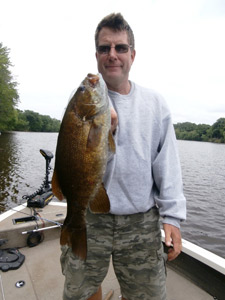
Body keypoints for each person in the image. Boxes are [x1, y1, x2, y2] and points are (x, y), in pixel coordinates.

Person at [61, 13, 186, 300]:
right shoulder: (81, 103)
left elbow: (167, 165)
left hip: (140, 221)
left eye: (120, 48)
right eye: (105, 48)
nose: (112, 55)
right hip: (91, 217)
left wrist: (173, 218)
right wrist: (105, 135)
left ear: (132, 54)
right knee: (81, 289)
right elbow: (76, 166)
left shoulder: (155, 103)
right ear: (96, 55)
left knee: (146, 294)